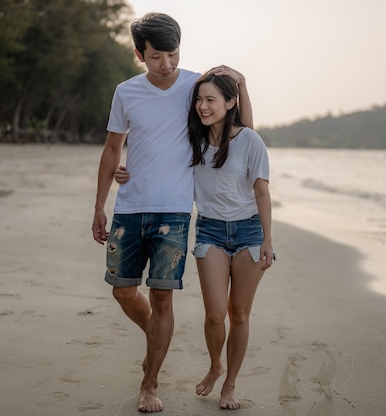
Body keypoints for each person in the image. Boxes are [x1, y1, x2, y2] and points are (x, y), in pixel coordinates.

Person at [91, 12, 252, 413]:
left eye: (173, 54)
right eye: (158, 56)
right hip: (129, 207)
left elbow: (238, 126)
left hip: (176, 211)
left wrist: (241, 83)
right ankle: (157, 338)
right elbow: (113, 149)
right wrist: (99, 204)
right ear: (140, 54)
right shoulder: (126, 92)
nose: (167, 65)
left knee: (163, 298)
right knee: (123, 290)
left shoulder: (195, 87)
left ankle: (150, 382)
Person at [115, 73, 274, 410]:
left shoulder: (250, 141)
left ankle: (229, 385)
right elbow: (158, 157)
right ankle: (216, 365)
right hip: (210, 231)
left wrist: (267, 240)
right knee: (216, 314)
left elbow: (262, 190)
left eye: (211, 100)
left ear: (229, 103)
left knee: (240, 314)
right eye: (199, 100)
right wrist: (123, 172)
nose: (202, 106)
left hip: (248, 232)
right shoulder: (193, 138)